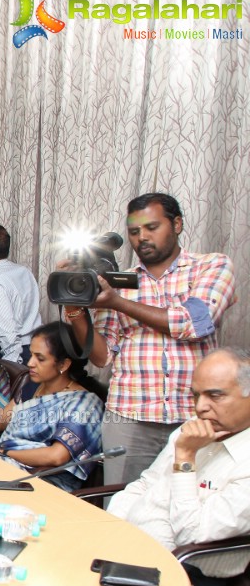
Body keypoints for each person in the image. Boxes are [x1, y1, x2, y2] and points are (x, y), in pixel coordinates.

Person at [66, 193, 237, 486]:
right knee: (122, 509)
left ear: (177, 224)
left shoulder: (210, 266)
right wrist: (74, 306)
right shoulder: (116, 281)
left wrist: (118, 303)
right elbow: (101, 356)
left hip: (194, 416)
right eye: (134, 232)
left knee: (193, 504)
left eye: (152, 227)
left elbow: (194, 322)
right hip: (129, 416)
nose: (142, 237)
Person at [104, 348, 250, 577]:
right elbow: (145, 485)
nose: (200, 407)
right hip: (130, 549)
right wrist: (111, 530)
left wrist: (185, 458)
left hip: (185, 571)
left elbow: (192, 534)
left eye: (215, 396)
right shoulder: (194, 427)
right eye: (196, 395)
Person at [0, 322, 105, 491]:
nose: (30, 363)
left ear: (63, 364)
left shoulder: (83, 404)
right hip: (4, 463)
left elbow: (56, 456)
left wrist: (2, 453)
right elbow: (3, 419)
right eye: (31, 354)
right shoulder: (34, 385)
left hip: (39, 481)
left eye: (40, 358)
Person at [0, 222, 41, 364]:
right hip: (34, 350)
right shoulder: (23, 271)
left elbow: (6, 331)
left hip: (14, 354)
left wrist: (13, 368)